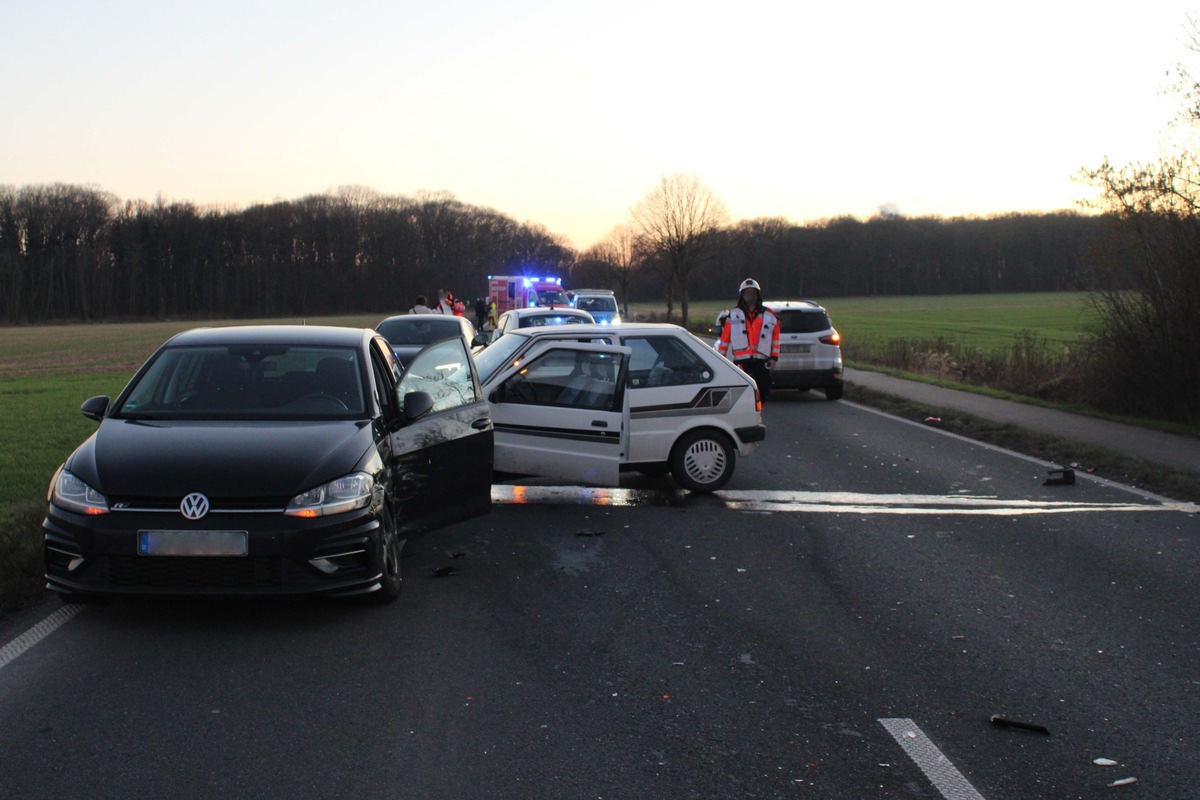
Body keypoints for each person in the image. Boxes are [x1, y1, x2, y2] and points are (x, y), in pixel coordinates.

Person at [716, 278, 780, 399]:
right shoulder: (734, 314)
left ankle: (758, 412)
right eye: (746, 292)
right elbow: (725, 339)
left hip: (762, 360)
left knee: (764, 388)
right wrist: (721, 359)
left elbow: (775, 338)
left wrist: (774, 357)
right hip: (742, 362)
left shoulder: (769, 315)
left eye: (752, 292)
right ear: (742, 295)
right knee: (745, 394)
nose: (749, 295)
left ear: (757, 294)